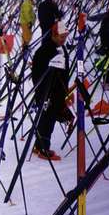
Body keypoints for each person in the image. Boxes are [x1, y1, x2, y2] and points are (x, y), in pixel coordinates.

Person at [31, 20, 74, 160]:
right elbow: (38, 73)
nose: (64, 40)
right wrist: (45, 92)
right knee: (47, 119)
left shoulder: (59, 47)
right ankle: (43, 148)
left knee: (48, 118)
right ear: (54, 35)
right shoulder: (45, 50)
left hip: (57, 90)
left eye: (65, 37)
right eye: (61, 37)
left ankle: (39, 145)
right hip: (48, 91)